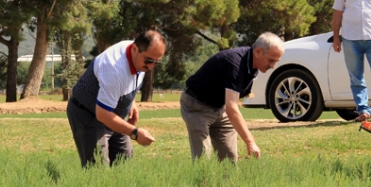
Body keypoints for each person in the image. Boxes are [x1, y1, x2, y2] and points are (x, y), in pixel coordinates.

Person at [181, 32, 284, 162]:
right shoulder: (235, 63)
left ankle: (227, 183)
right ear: (258, 52)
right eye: (271, 60)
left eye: (276, 61)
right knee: (202, 160)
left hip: (220, 107)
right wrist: (250, 142)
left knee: (230, 159)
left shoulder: (253, 65)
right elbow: (232, 108)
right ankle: (201, 183)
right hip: (197, 106)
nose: (272, 66)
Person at [67, 30, 164, 167]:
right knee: (97, 170)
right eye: (148, 60)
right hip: (89, 115)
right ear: (135, 49)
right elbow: (103, 114)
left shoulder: (137, 54)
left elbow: (128, 81)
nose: (150, 66)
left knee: (124, 164)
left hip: (113, 115)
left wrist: (131, 102)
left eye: (156, 62)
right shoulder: (114, 69)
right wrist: (135, 133)